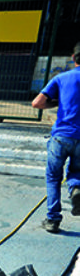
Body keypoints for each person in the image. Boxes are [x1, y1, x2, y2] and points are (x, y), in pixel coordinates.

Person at [32, 42, 80, 233]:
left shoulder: (62, 78)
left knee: (53, 177)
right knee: (77, 172)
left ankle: (53, 220)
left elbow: (37, 103)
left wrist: (56, 103)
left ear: (73, 57)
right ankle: (76, 189)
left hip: (61, 136)